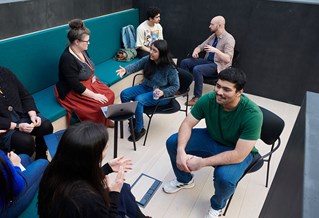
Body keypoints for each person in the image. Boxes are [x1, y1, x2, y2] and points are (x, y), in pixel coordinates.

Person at [162, 67, 263, 218]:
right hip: (212, 138)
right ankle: (185, 180)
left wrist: (202, 162)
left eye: (226, 89)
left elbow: (239, 155)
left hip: (235, 149)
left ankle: (217, 206)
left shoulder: (253, 115)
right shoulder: (208, 99)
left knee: (225, 178)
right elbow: (187, 124)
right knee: (173, 142)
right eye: (218, 86)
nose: (219, 92)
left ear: (239, 92)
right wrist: (181, 150)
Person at [38, 121, 150, 218]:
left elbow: (80, 176)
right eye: (105, 147)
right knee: (122, 190)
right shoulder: (87, 198)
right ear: (93, 155)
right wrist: (114, 193)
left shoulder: (54, 169)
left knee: (123, 189)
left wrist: (107, 168)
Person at [55, 18, 115, 127]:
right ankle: (96, 129)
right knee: (97, 105)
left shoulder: (83, 50)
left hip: (89, 82)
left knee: (110, 95)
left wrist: (92, 78)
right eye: (87, 41)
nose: (89, 43)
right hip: (73, 90)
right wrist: (94, 96)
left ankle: (104, 120)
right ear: (77, 42)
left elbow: (88, 66)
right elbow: (75, 85)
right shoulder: (67, 59)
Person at [116, 40, 180, 141]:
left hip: (160, 94)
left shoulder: (170, 68)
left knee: (139, 100)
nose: (151, 52)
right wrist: (126, 70)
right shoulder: (148, 59)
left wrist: (163, 92)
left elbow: (176, 86)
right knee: (124, 94)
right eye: (151, 49)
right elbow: (136, 65)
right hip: (145, 87)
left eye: (154, 50)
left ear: (162, 53)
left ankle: (139, 129)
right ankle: (131, 120)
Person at [180, 16, 235, 106]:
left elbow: (228, 59)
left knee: (197, 69)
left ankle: (197, 97)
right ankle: (183, 89)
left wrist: (216, 50)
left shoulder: (229, 39)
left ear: (219, 25)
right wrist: (196, 51)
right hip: (208, 62)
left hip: (218, 65)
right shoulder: (213, 36)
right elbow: (200, 47)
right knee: (184, 62)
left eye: (212, 24)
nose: (209, 26)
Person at [0, 67, 53, 159]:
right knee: (25, 142)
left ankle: (41, 156)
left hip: (21, 115)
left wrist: (33, 115)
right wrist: (17, 126)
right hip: (4, 127)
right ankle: (20, 166)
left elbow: (25, 95)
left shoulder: (4, 72)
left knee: (46, 126)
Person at [0, 149, 48, 218]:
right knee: (44, 163)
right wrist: (16, 167)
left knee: (24, 157)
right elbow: (18, 187)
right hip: (3, 209)